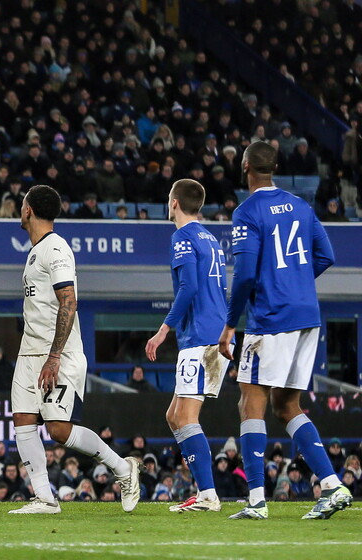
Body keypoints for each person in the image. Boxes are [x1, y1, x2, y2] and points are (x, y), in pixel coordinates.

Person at [219, 141, 351, 520]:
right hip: (307, 316)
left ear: (245, 166)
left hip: (271, 319)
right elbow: (326, 255)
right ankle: (333, 485)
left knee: (250, 403)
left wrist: (230, 326)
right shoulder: (300, 205)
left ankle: (257, 501)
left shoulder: (247, 212)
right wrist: (293, 282)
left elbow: (244, 275)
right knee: (286, 405)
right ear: (273, 167)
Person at [9, 184, 141, 515]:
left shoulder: (56, 249)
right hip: (30, 352)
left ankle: (123, 468)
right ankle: (45, 498)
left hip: (60, 354)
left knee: (58, 430)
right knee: (23, 420)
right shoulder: (36, 250)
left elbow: (68, 300)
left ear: (28, 211)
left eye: (22, 205)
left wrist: (54, 357)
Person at [144, 178, 230, 513]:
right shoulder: (210, 238)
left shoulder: (182, 237)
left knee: (186, 415)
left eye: (169, 199)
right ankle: (204, 490)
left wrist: (163, 330)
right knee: (174, 415)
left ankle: (208, 494)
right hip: (213, 333)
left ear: (175, 203)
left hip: (202, 338)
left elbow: (189, 287)